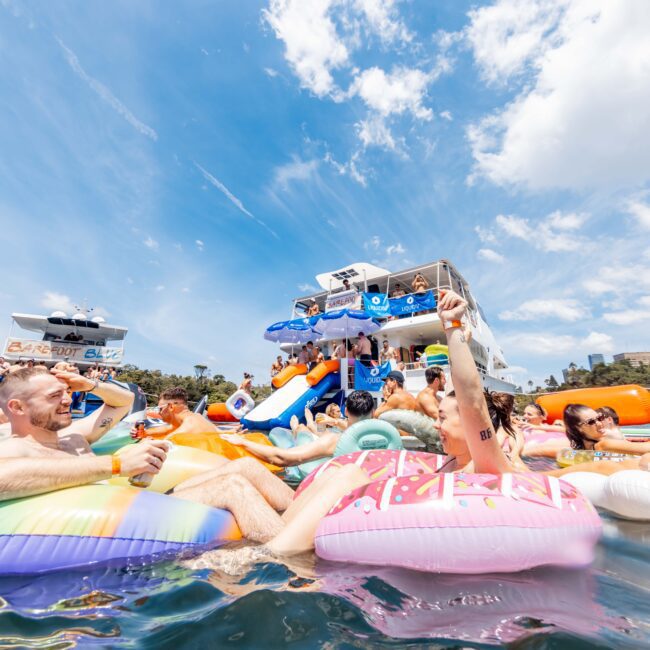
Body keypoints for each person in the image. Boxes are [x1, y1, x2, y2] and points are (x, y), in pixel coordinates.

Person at [0, 367, 295, 542]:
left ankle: (312, 521)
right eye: (54, 396)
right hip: (116, 525)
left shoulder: (73, 436)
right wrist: (117, 464)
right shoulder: (14, 446)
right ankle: (292, 562)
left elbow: (123, 402)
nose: (67, 400)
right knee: (233, 488)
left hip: (136, 505)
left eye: (66, 393)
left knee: (245, 467)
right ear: (17, 408)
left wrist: (89, 384)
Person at [222, 391, 373, 468]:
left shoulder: (336, 441)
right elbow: (350, 426)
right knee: (313, 430)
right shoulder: (385, 435)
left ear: (345, 411)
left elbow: (282, 458)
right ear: (372, 412)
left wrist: (242, 442)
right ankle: (304, 426)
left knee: (302, 429)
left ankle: (298, 427)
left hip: (321, 449)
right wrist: (334, 421)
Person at [137, 386, 220, 437]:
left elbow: (164, 446)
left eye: (160, 409)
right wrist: (144, 433)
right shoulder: (195, 417)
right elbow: (167, 429)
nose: (158, 413)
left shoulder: (186, 430)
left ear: (171, 407)